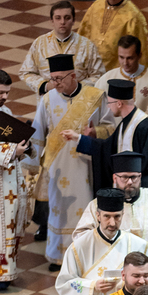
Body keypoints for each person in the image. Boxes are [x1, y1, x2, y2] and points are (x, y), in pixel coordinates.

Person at [25, 54, 114, 268]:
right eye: (52, 79)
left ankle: (83, 258)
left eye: (59, 79)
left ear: (73, 76)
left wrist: (95, 132)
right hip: (57, 167)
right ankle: (58, 257)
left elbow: (111, 128)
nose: (55, 84)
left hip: (85, 166)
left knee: (85, 211)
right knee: (58, 212)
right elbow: (37, 133)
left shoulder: (95, 97)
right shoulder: (47, 99)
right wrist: (32, 166)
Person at [73, 151, 148, 295]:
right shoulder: (99, 204)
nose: (129, 182)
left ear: (140, 176)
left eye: (134, 177)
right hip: (116, 280)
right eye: (124, 177)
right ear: (114, 177)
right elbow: (80, 236)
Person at [62, 78, 148, 197]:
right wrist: (78, 138)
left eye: (109, 103)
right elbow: (106, 148)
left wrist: (140, 193)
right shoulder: (124, 123)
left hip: (141, 194)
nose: (108, 107)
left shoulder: (143, 126)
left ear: (119, 104)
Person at [19, 1, 104, 96]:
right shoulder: (39, 43)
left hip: (79, 98)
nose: (62, 22)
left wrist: (78, 87)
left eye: (67, 18)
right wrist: (45, 86)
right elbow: (26, 73)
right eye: (58, 18)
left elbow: (99, 75)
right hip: (48, 99)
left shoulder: (87, 45)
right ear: (52, 21)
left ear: (73, 21)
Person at [0, 72, 30, 292]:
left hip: (9, 184)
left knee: (9, 230)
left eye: (7, 93)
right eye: (1, 92)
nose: (4, 97)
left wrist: (22, 148)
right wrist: (11, 151)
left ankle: (6, 273)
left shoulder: (6, 112)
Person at [79, 0, 148, 73]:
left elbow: (139, 52)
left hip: (116, 71)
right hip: (90, 67)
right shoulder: (96, 6)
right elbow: (83, 35)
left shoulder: (133, 16)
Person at [95, 35, 148, 114]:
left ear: (139, 56)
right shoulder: (107, 79)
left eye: (130, 58)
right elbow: (96, 107)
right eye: (121, 57)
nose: (125, 63)